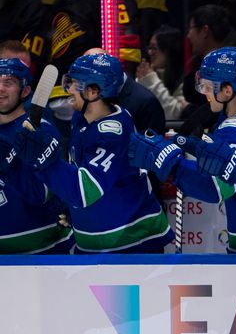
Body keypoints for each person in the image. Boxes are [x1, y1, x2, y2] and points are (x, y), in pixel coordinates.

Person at [13, 53, 173, 253]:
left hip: (131, 242)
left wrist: (46, 159)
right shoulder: (81, 119)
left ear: (93, 92)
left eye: (75, 84)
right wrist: (68, 204)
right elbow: (78, 171)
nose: (69, 88)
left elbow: (85, 190)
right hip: (95, 241)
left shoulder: (112, 133)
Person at [128, 47, 236, 253]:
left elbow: (215, 189)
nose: (204, 93)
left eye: (207, 86)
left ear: (227, 91)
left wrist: (172, 166)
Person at [0, 58, 73, 254]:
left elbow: (42, 194)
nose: (0, 88)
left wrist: (11, 167)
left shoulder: (43, 133)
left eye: (8, 82)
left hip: (43, 253)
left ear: (25, 91)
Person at [136, 25, 188, 121]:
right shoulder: (147, 75)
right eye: (149, 47)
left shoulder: (186, 82)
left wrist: (151, 80)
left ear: (169, 51)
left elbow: (173, 114)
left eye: (154, 48)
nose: (150, 52)